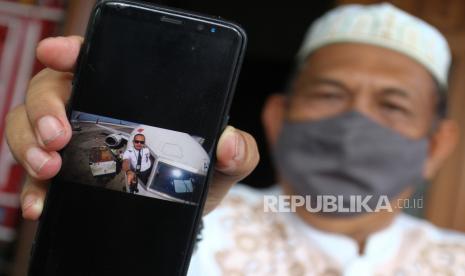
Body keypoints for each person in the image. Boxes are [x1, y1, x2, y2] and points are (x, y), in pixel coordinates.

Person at [4, 2, 465, 275]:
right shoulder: (202, 228)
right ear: (278, 117)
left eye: (393, 105)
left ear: (437, 145)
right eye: (330, 94)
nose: (353, 126)